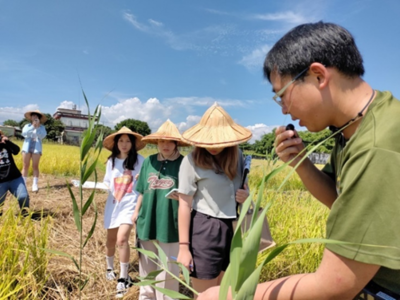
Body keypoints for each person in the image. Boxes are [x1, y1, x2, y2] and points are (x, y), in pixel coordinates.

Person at [198, 22, 400, 299]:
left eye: (282, 95)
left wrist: (228, 295)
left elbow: (336, 284)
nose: (284, 110)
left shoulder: (378, 146)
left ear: (318, 76)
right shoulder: (352, 129)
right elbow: (339, 199)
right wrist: (301, 162)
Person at [177, 103, 252, 298]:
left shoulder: (237, 157)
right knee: (205, 294)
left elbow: (244, 188)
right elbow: (184, 204)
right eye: (210, 141)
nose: (214, 146)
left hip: (233, 228)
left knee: (225, 292)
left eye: (219, 141)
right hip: (205, 229)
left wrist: (246, 196)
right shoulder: (191, 161)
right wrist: (184, 248)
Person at [132, 119, 190, 300]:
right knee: (147, 265)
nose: (165, 145)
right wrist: (136, 212)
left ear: (176, 143)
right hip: (147, 220)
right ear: (157, 142)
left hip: (170, 223)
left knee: (168, 269)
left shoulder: (184, 163)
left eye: (170, 141)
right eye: (162, 141)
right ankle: (146, 296)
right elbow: (141, 191)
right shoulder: (148, 161)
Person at [102, 126, 145, 298]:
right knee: (111, 239)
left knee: (122, 239)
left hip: (130, 203)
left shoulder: (140, 160)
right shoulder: (111, 161)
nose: (124, 144)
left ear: (133, 144)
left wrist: (140, 178)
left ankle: (123, 277)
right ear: (116, 143)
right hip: (113, 204)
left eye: (128, 141)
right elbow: (107, 182)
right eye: (121, 141)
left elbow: (144, 180)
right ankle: (109, 267)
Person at [0, 130, 30, 216]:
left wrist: (7, 141)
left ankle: (25, 215)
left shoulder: (6, 145)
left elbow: (16, 150)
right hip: (1, 181)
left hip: (15, 178)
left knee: (23, 197)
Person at [21, 110, 47, 192]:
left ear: (39, 118)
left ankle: (35, 184)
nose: (35, 117)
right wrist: (33, 126)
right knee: (25, 166)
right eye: (33, 115)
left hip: (37, 147)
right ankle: (23, 184)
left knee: (35, 166)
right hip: (26, 147)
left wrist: (38, 127)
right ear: (31, 117)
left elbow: (42, 136)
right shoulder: (27, 126)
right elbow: (25, 134)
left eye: (36, 116)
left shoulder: (42, 128)